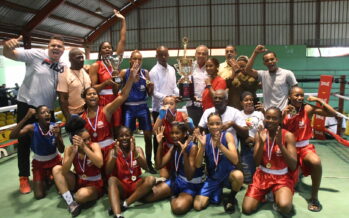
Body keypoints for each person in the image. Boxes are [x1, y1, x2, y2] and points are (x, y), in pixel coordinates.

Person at [3, 34, 65, 194]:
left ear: (63, 50)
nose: (56, 48)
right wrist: (7, 47)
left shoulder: (63, 65)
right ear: (48, 47)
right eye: (53, 45)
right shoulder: (36, 54)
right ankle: (23, 177)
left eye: (59, 46)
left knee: (50, 141)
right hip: (28, 104)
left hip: (48, 109)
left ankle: (50, 171)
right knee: (23, 142)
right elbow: (10, 54)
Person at [282, 86, 338, 212]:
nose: (300, 97)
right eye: (296, 95)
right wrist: (283, 114)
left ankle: (314, 197)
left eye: (301, 95)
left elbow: (332, 113)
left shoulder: (307, 108)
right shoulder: (284, 109)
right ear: (289, 97)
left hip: (304, 147)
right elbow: (278, 127)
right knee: (291, 182)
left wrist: (319, 100)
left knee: (316, 162)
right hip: (288, 148)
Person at [80, 62, 138, 170]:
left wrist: (131, 77)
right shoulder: (81, 118)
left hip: (110, 151)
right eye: (89, 94)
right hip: (94, 153)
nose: (92, 96)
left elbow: (123, 95)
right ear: (85, 98)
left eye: (94, 94)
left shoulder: (106, 110)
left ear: (98, 97)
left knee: (111, 179)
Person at [242, 107, 297, 216]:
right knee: (247, 209)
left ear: (280, 119)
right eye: (268, 117)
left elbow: (293, 165)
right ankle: (266, 195)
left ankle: (275, 195)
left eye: (274, 118)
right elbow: (256, 163)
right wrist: (261, 143)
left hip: (282, 177)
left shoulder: (288, 136)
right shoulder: (260, 134)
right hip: (262, 176)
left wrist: (280, 145)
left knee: (285, 207)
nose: (270, 120)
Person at [145, 122, 203, 215]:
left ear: (184, 134)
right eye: (172, 133)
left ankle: (173, 197)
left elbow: (189, 176)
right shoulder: (174, 146)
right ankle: (174, 194)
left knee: (178, 208)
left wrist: (184, 153)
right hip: (176, 181)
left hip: (190, 185)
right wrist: (159, 144)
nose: (174, 136)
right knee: (147, 198)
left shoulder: (193, 147)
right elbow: (158, 165)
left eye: (177, 133)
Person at [52, 116, 103, 217]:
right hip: (78, 181)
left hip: (94, 184)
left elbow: (100, 163)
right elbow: (65, 171)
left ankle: (72, 195)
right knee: (56, 169)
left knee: (81, 195)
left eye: (89, 138)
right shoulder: (70, 149)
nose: (88, 141)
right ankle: (71, 203)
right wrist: (73, 153)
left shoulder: (94, 146)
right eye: (85, 140)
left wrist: (84, 147)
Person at [9, 105, 64, 199]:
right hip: (39, 164)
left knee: (61, 190)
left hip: (55, 162)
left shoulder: (55, 127)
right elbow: (12, 136)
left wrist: (58, 136)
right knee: (39, 195)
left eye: (48, 112)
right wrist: (26, 117)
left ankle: (51, 176)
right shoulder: (31, 128)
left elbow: (62, 150)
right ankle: (48, 177)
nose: (47, 114)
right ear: (37, 116)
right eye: (43, 112)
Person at [193, 112, 243, 213]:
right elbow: (197, 165)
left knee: (238, 175)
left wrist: (220, 146)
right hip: (213, 177)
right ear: (207, 125)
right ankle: (217, 193)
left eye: (217, 123)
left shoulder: (228, 135)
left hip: (228, 175)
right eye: (211, 124)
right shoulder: (204, 138)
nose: (215, 126)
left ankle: (231, 198)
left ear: (221, 124)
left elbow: (235, 160)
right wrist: (202, 146)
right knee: (198, 205)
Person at [88, 9, 126, 137]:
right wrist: (105, 83)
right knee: (105, 128)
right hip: (103, 100)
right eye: (104, 48)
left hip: (116, 98)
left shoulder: (115, 62)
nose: (107, 49)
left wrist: (123, 21)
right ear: (100, 51)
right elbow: (93, 88)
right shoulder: (95, 66)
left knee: (117, 127)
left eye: (109, 47)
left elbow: (122, 41)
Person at [105, 126, 155, 218]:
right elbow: (107, 172)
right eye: (121, 136)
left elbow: (146, 167)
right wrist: (114, 156)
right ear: (117, 139)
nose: (124, 138)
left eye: (127, 135)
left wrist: (135, 152)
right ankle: (118, 215)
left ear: (132, 137)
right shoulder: (113, 151)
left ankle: (125, 204)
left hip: (136, 185)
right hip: (122, 187)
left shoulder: (138, 149)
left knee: (151, 179)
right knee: (111, 180)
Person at [119, 50, 156, 173]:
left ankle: (149, 163)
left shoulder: (145, 73)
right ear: (130, 60)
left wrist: (151, 88)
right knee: (127, 136)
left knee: (147, 136)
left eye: (139, 59)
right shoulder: (124, 72)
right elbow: (118, 91)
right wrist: (130, 78)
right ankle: (127, 163)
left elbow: (149, 94)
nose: (137, 61)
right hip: (128, 107)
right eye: (135, 59)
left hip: (142, 107)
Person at [149, 45, 179, 168]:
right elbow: (154, 93)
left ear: (168, 55)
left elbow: (175, 87)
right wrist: (168, 99)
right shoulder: (153, 72)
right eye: (160, 54)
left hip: (172, 108)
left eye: (165, 54)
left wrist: (177, 95)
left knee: (173, 134)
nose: (163, 57)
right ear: (156, 56)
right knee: (158, 137)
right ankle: (158, 162)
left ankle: (174, 159)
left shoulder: (172, 69)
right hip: (159, 110)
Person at [245, 45, 298, 110]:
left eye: (272, 59)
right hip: (267, 112)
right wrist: (255, 53)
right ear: (264, 63)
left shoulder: (287, 73)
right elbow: (247, 70)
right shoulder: (262, 74)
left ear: (276, 60)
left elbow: (296, 91)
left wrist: (291, 105)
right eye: (267, 60)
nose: (270, 62)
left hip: (283, 112)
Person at [153, 96, 194, 178]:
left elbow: (192, 132)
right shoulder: (161, 117)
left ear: (176, 105)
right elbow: (155, 131)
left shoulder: (182, 115)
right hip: (168, 149)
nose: (168, 106)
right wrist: (160, 116)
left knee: (182, 174)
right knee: (164, 177)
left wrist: (191, 125)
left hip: (181, 148)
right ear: (162, 106)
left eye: (171, 103)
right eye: (166, 104)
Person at [57, 48, 91, 121]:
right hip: (74, 114)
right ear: (70, 59)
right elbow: (62, 99)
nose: (81, 60)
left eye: (82, 57)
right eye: (78, 58)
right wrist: (68, 118)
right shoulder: (64, 75)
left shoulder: (85, 71)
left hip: (88, 110)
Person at [240, 91, 264, 183]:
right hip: (246, 148)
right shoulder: (238, 114)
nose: (249, 102)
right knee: (248, 179)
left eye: (251, 100)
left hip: (259, 146)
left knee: (260, 176)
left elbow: (265, 129)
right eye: (246, 100)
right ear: (241, 103)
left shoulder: (259, 114)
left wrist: (264, 111)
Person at [185, 45, 209, 126]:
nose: (201, 55)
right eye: (199, 53)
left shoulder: (210, 67)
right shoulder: (188, 66)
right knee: (194, 131)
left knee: (207, 131)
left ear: (207, 56)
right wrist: (190, 96)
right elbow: (184, 84)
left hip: (207, 106)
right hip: (192, 105)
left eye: (204, 54)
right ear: (195, 54)